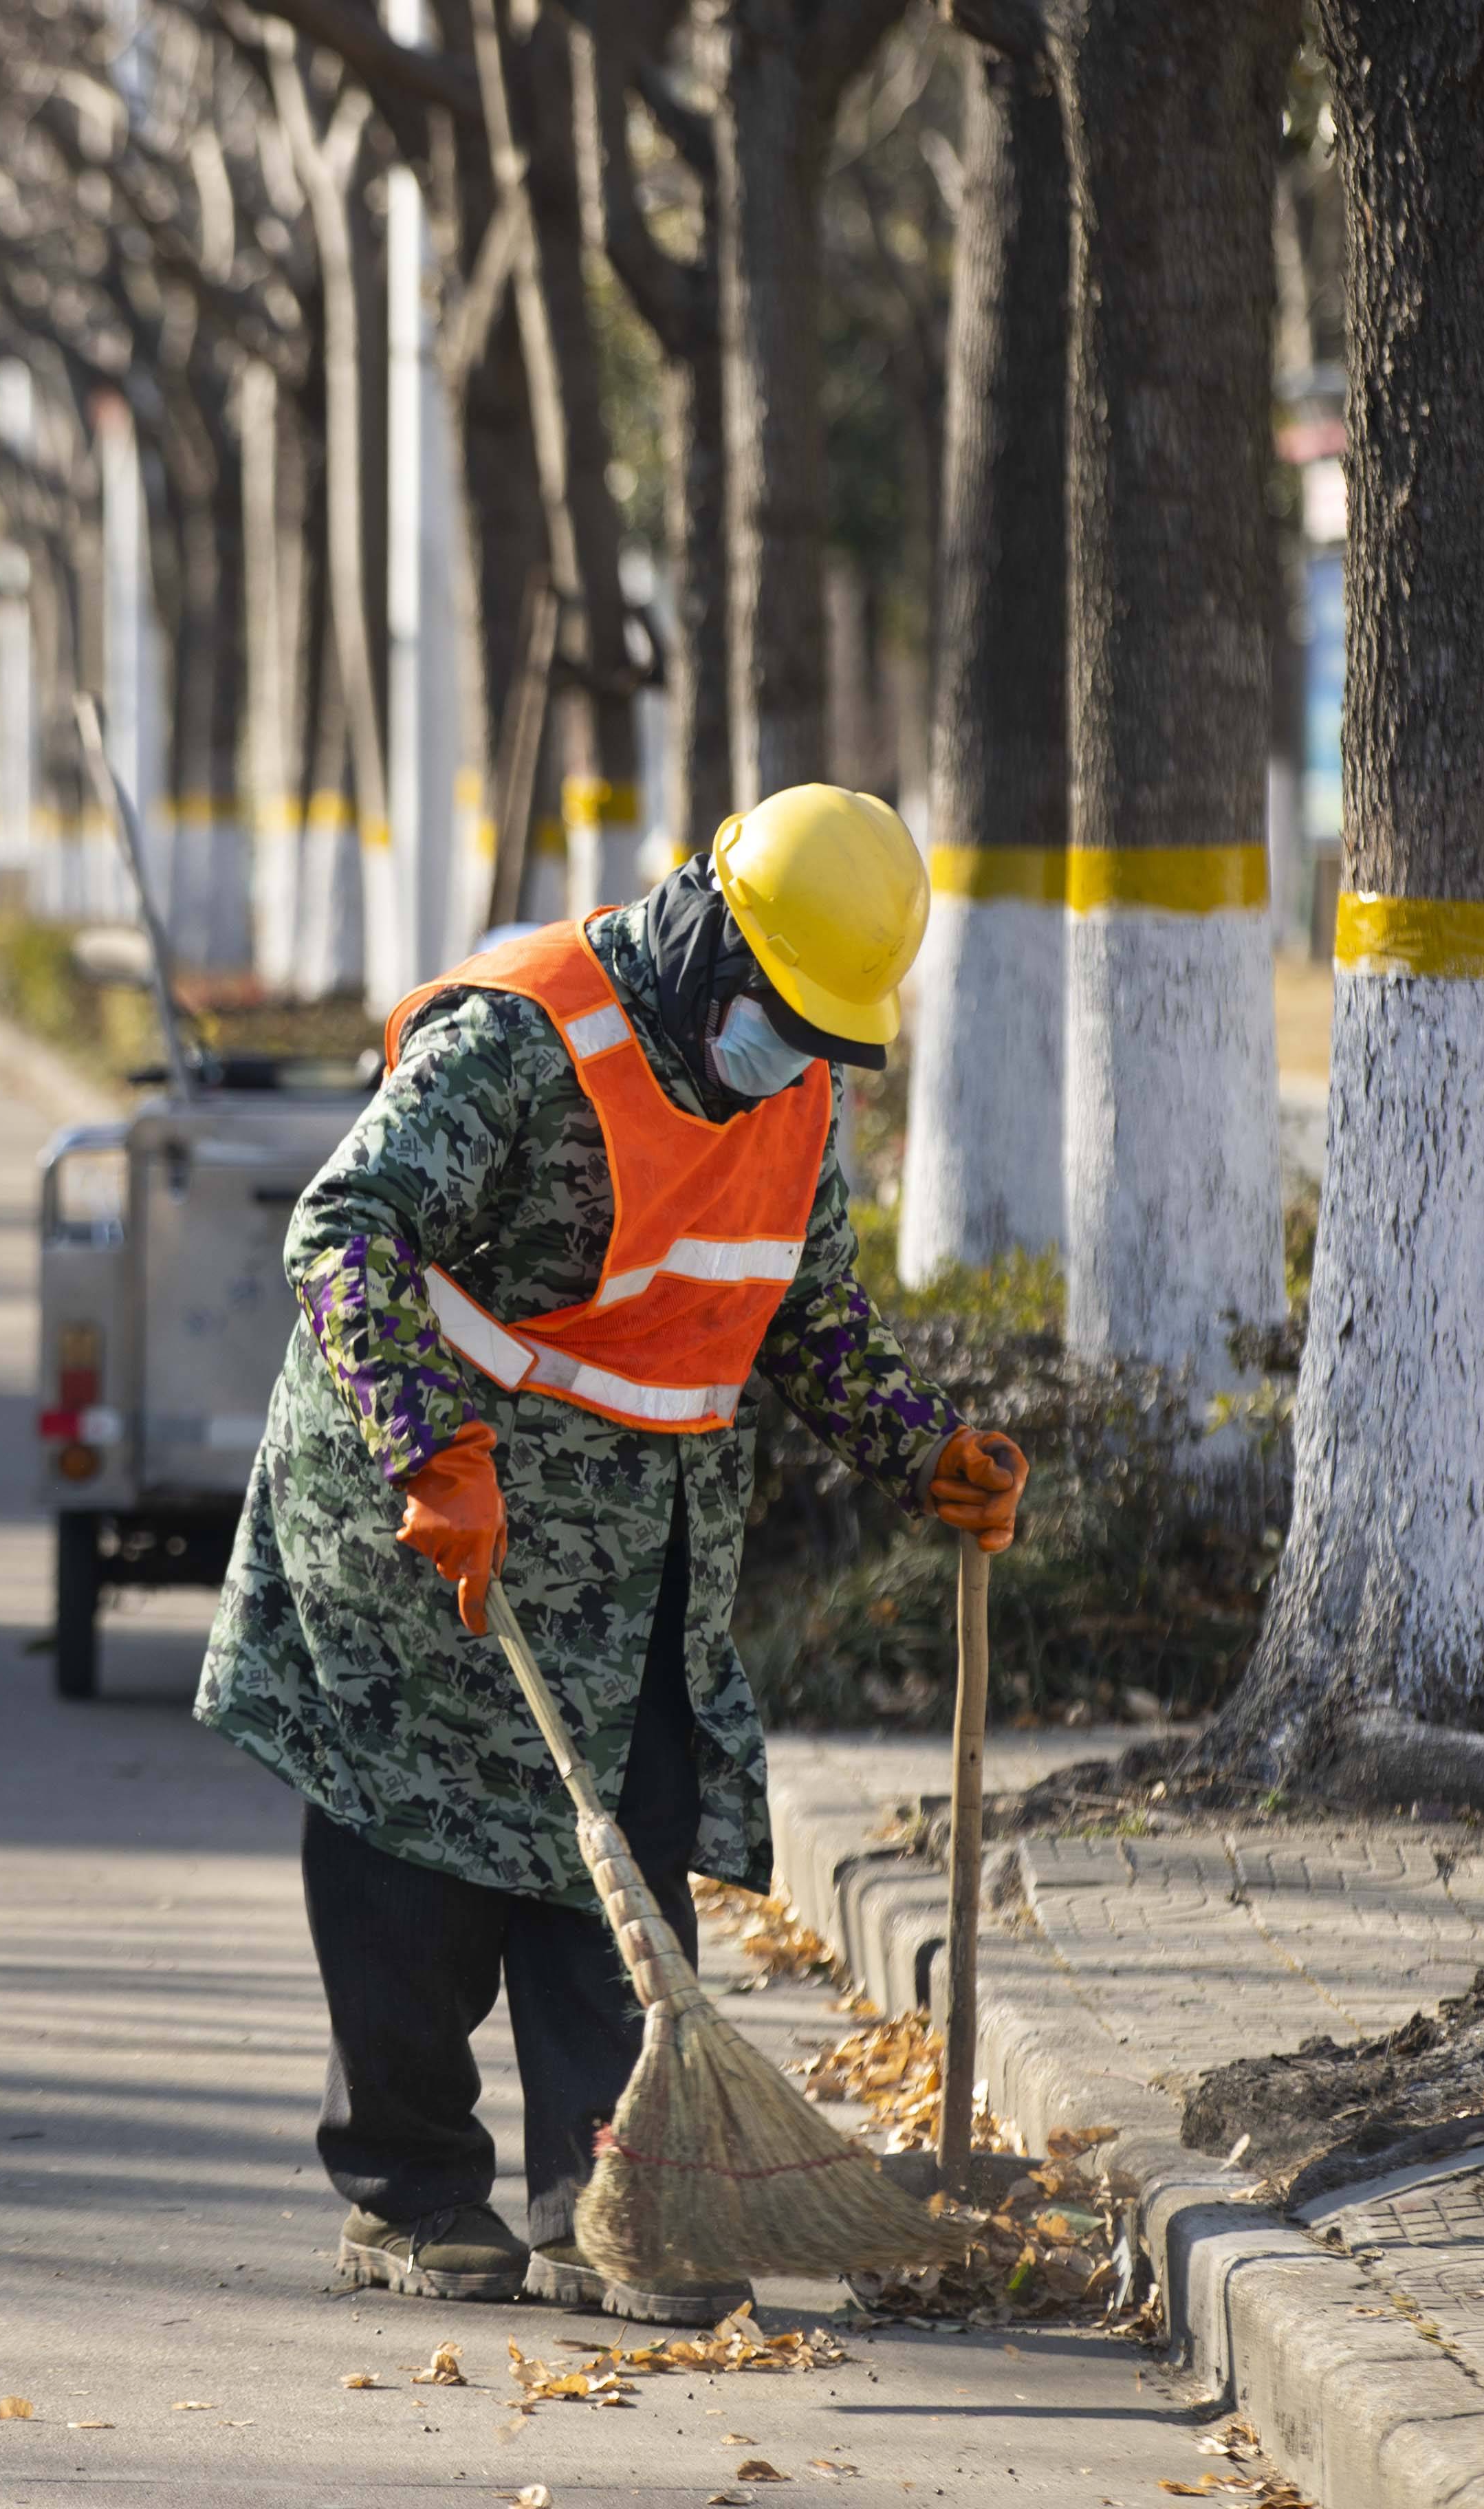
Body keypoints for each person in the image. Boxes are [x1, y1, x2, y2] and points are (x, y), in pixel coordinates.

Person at [195, 784, 1029, 2326]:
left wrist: (926, 1446)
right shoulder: (523, 1037)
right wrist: (427, 1448)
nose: (786, 1052)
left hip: (640, 1548)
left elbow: (802, 1310)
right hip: (438, 1513)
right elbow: (346, 1227)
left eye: (818, 1033)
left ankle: (604, 2202)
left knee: (620, 1874)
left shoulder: (794, 1090)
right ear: (710, 931)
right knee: (417, 1864)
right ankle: (412, 2192)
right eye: (773, 1014)